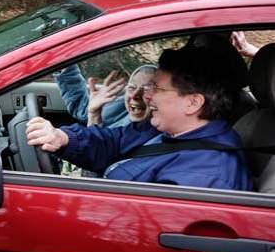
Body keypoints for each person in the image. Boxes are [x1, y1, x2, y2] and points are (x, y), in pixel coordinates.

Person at [26, 46, 253, 190]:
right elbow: (111, 142)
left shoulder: (203, 176)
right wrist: (62, 138)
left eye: (157, 88)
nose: (146, 95)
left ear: (193, 102)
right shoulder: (166, 130)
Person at [84, 65, 156, 126]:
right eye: (131, 87)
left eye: (146, 89)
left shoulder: (160, 137)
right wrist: (94, 114)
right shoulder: (116, 108)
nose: (134, 95)